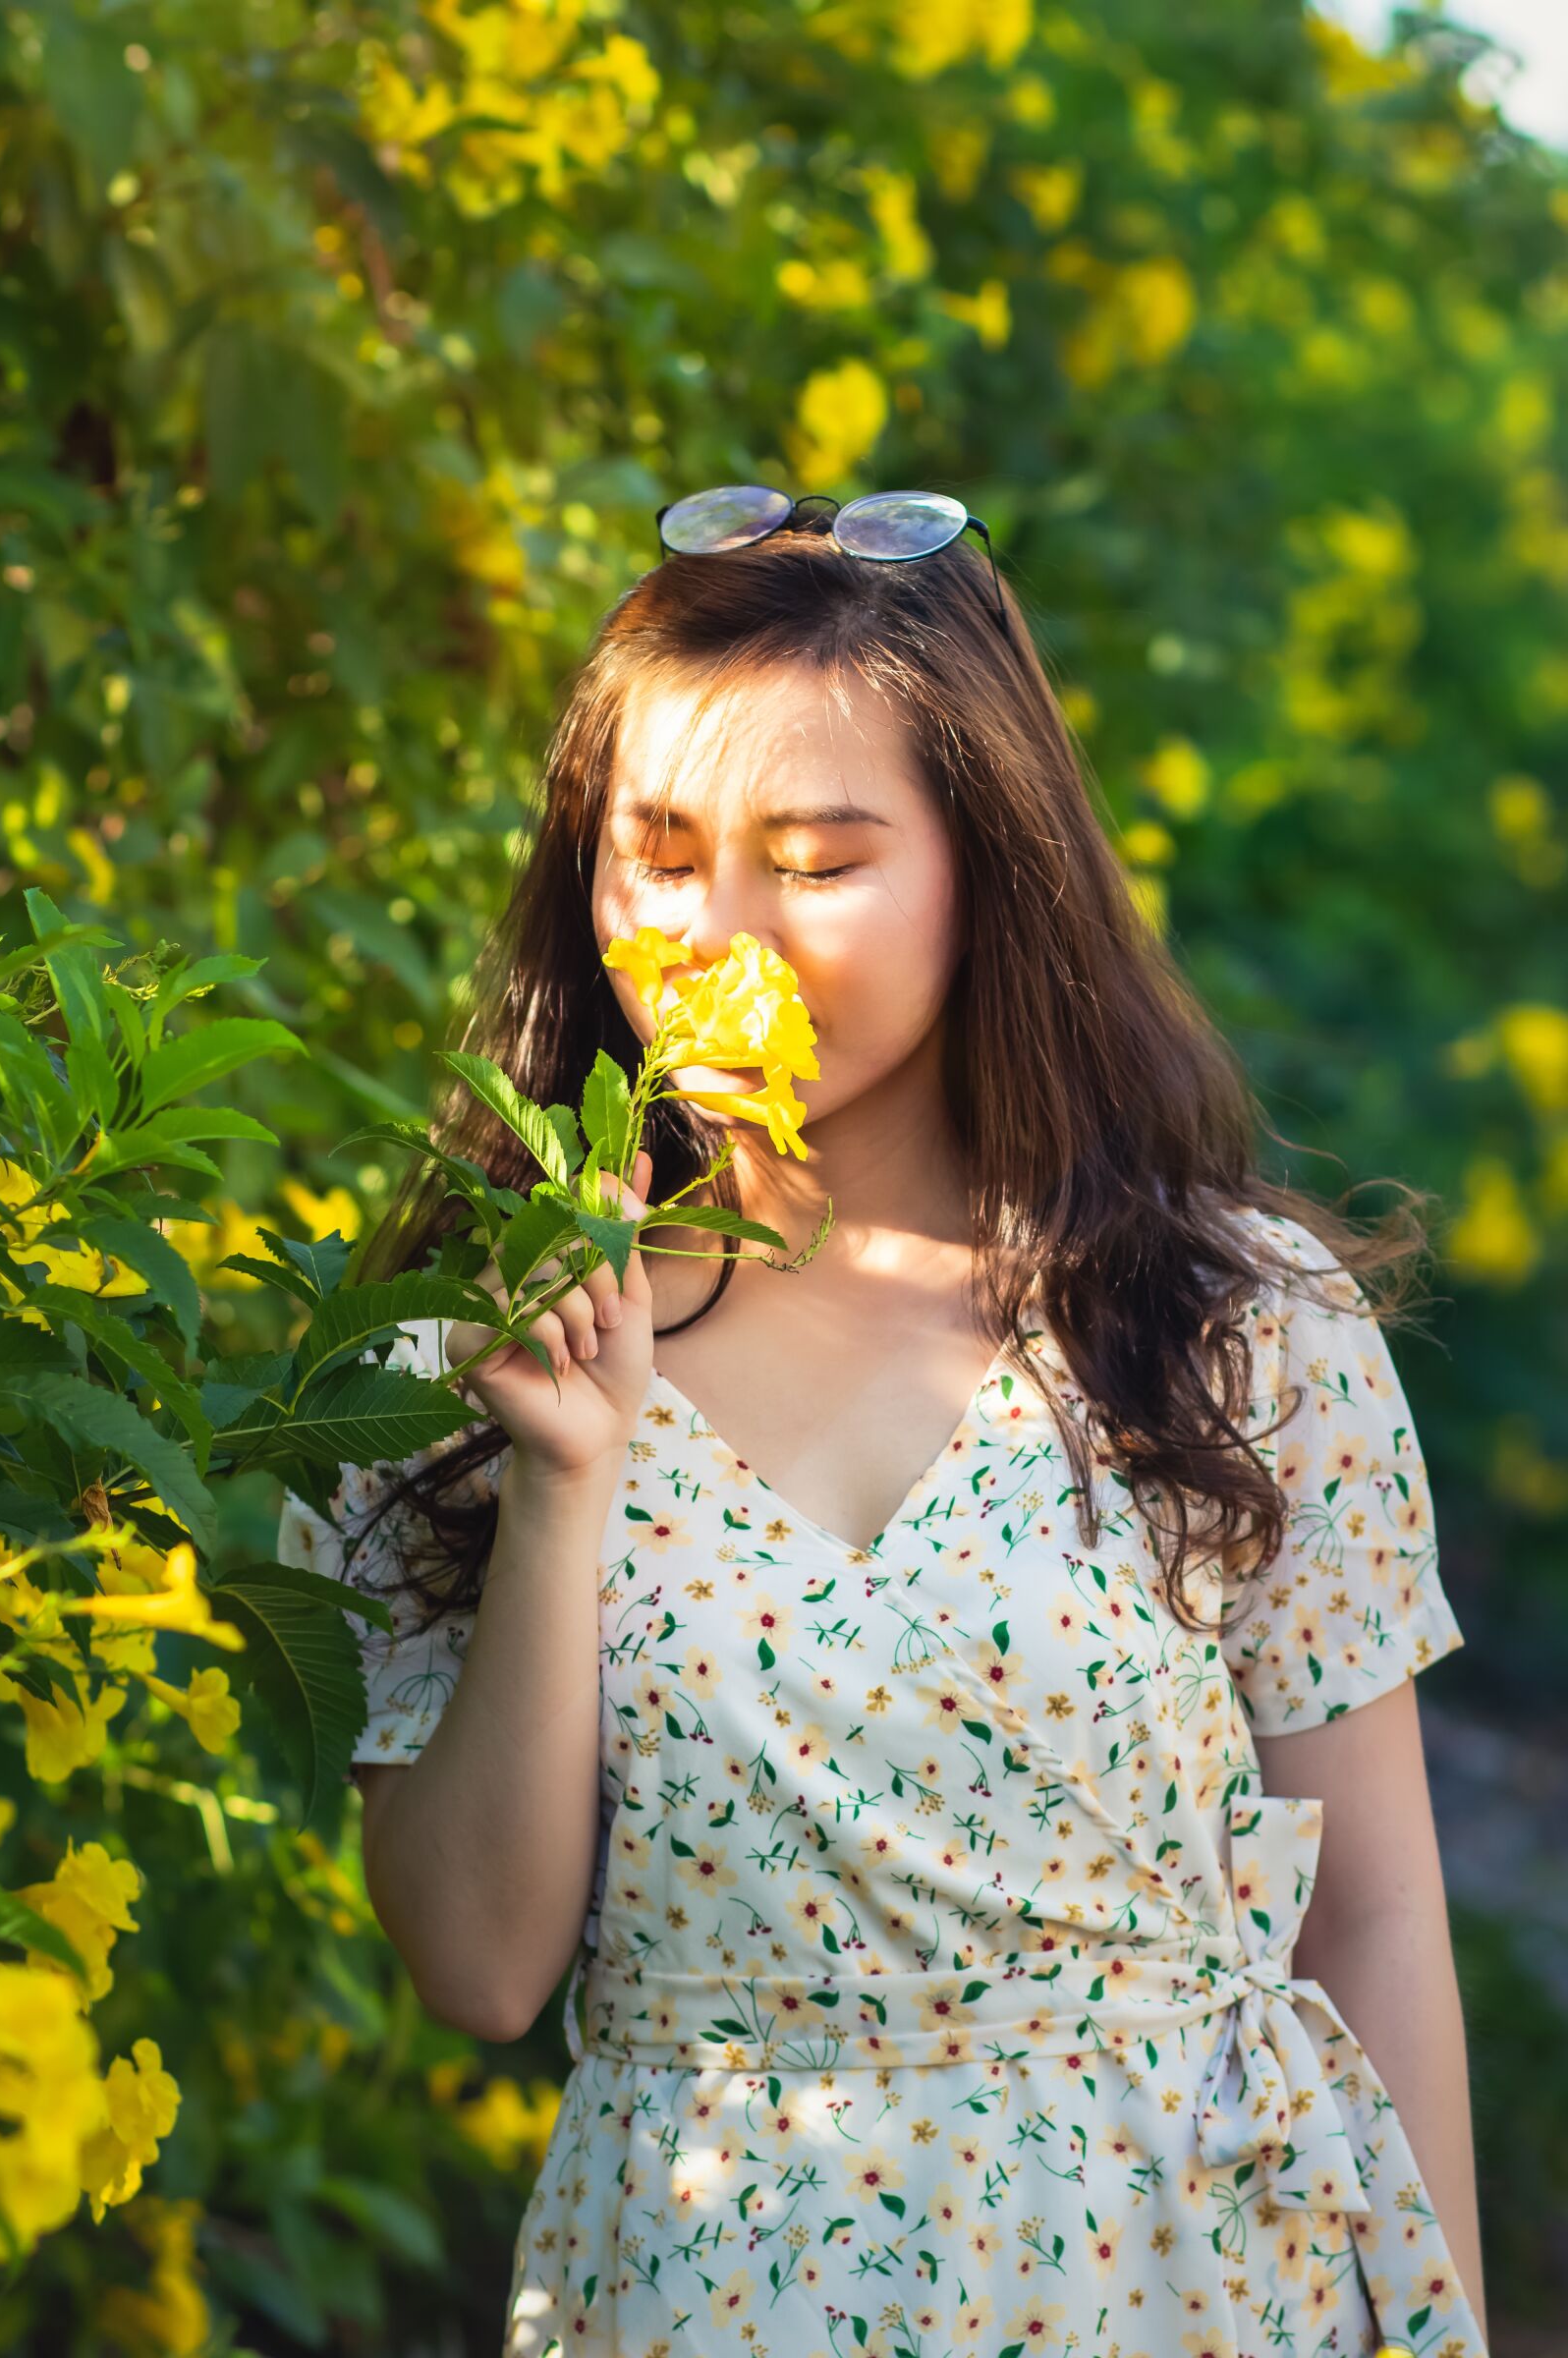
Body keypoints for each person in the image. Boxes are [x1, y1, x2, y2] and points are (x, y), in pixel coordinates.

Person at [277, 494, 1489, 2358]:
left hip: (1185, 2286)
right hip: (708, 2300)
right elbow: (476, 1965)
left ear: (983, 867)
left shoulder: (1234, 1328)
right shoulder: (473, 1346)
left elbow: (1383, 1912)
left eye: (817, 863)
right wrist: (565, 1486)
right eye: (658, 855)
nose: (715, 938)